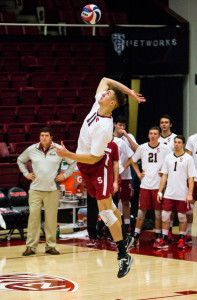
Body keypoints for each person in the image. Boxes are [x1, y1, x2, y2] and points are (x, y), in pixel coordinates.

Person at [53, 77, 146, 278]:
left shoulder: (105, 128)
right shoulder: (99, 103)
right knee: (108, 208)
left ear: (111, 103)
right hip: (85, 164)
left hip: (97, 165)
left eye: (108, 94)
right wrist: (129, 91)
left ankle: (123, 254)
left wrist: (67, 155)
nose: (103, 93)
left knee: (105, 212)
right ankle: (126, 236)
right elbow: (105, 80)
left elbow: (95, 156)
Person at [17, 127, 76, 256]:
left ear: (51, 138)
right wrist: (26, 174)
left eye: (46, 135)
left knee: (51, 219)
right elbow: (20, 160)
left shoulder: (58, 150)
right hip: (35, 190)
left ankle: (50, 246)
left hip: (52, 190)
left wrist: (64, 176)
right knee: (33, 219)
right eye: (42, 135)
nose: (44, 137)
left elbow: (73, 162)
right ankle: (30, 247)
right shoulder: (32, 149)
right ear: (39, 137)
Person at [130, 127, 171, 247]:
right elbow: (132, 161)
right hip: (145, 185)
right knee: (141, 213)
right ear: (148, 135)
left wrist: (164, 171)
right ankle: (136, 235)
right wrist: (138, 173)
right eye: (151, 133)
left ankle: (158, 235)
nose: (153, 136)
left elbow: (171, 161)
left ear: (159, 136)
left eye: (155, 134)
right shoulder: (142, 147)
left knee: (158, 214)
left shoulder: (165, 148)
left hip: (158, 186)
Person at [155, 135, 196, 249]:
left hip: (182, 193)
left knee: (182, 217)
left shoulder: (188, 158)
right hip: (169, 193)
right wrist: (159, 191)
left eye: (179, 142)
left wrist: (189, 194)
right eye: (175, 142)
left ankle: (182, 239)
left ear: (183, 144)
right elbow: (164, 175)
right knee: (165, 216)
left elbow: (191, 178)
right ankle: (164, 239)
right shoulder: (168, 157)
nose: (176, 144)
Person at [158, 114, 177, 240]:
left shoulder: (175, 138)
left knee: (171, 202)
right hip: (158, 176)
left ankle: (169, 228)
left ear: (170, 125)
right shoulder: (155, 138)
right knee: (161, 204)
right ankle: (161, 230)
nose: (164, 124)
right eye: (162, 122)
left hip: (172, 175)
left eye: (166, 122)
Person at [113, 135, 134, 233]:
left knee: (125, 201)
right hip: (111, 176)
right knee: (112, 203)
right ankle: (114, 226)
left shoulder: (121, 142)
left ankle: (127, 225)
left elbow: (132, 156)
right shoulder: (103, 141)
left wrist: (124, 167)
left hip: (125, 176)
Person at [185, 132, 197, 245]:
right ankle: (188, 233)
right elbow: (188, 158)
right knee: (189, 208)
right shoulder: (192, 138)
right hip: (192, 178)